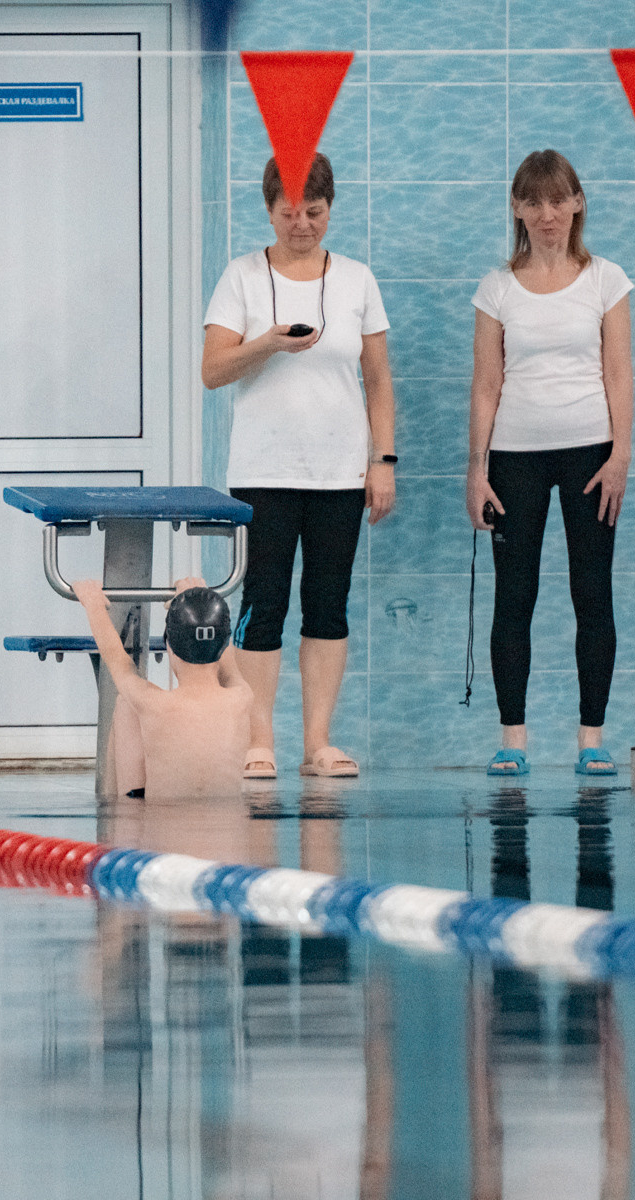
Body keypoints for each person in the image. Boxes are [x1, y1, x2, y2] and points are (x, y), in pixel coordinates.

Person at [202, 152, 396, 780]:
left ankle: (319, 743)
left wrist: (382, 460)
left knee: (328, 604)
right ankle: (260, 741)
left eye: (314, 212)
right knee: (264, 602)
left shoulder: (357, 280)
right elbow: (212, 372)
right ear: (269, 210)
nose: (302, 224)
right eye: (289, 212)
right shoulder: (241, 277)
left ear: (330, 208)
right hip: (264, 470)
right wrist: (268, 342)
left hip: (340, 472)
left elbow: (378, 379)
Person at [465, 150, 633, 778]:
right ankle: (515, 739)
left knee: (593, 593)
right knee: (516, 596)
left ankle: (591, 739)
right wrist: (476, 469)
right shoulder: (497, 287)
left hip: (592, 452)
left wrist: (621, 454)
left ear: (578, 203)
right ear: (517, 209)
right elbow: (486, 383)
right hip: (513, 457)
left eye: (558, 200)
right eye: (533, 202)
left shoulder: (605, 280)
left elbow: (619, 371)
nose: (547, 214)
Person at [73, 576, 254, 801]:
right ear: (224, 643)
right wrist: (198, 596)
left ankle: (113, 810)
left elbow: (119, 663)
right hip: (230, 832)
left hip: (158, 829)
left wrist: (93, 604)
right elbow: (228, 666)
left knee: (125, 704)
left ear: (169, 647)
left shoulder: (151, 703)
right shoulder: (241, 698)